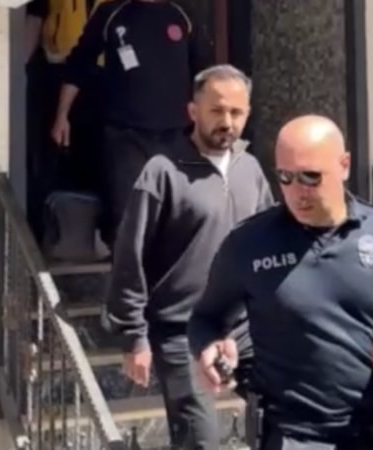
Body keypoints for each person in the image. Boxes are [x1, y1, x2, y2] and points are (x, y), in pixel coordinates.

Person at [188, 115, 373, 450]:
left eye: (310, 176)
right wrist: (209, 345)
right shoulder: (249, 243)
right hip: (292, 436)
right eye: (285, 177)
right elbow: (206, 319)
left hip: (372, 432)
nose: (297, 191)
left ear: (344, 165)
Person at [104, 64, 274, 449]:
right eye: (217, 110)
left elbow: (268, 243)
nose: (227, 122)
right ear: (193, 111)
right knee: (200, 440)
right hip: (182, 332)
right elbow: (130, 258)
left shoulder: (250, 169)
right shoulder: (162, 171)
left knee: (281, 416)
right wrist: (134, 336)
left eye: (236, 112)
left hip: (245, 330)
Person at [51, 0, 211, 246]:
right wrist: (62, 116)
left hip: (177, 135)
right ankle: (128, 268)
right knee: (129, 215)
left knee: (176, 216)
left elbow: (205, 76)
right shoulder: (111, 13)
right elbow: (78, 65)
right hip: (125, 135)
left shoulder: (182, 14)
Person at [24, 0, 107, 242]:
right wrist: (21, 65)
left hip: (104, 75)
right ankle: (45, 235)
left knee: (99, 158)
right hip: (55, 72)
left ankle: (97, 237)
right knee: (50, 158)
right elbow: (35, 15)